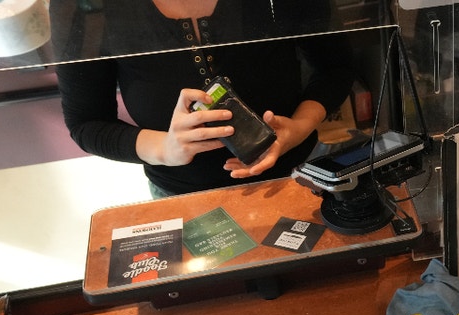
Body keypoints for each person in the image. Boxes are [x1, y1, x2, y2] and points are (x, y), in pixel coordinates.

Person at [53, 0, 354, 197]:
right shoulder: (85, 5)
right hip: (181, 196)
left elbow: (336, 67)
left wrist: (298, 128)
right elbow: (86, 123)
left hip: (298, 176)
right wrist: (165, 148)